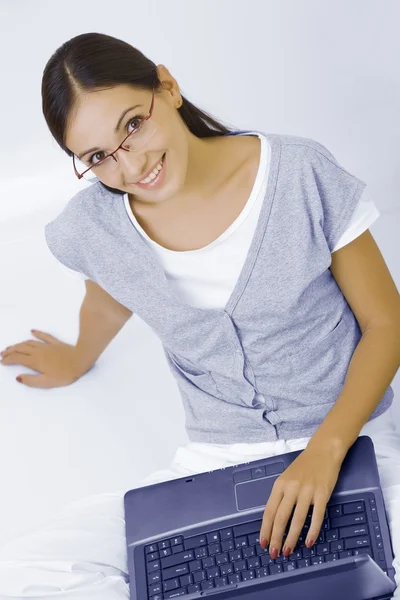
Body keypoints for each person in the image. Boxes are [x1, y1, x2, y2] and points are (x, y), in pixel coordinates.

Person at [0, 31, 399, 599]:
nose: (130, 165)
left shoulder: (299, 174)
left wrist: (325, 451)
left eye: (132, 124)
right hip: (218, 462)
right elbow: (109, 294)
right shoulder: (95, 228)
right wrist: (77, 356)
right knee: (20, 573)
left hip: (350, 440)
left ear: (168, 85)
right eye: (96, 157)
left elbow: (387, 323)